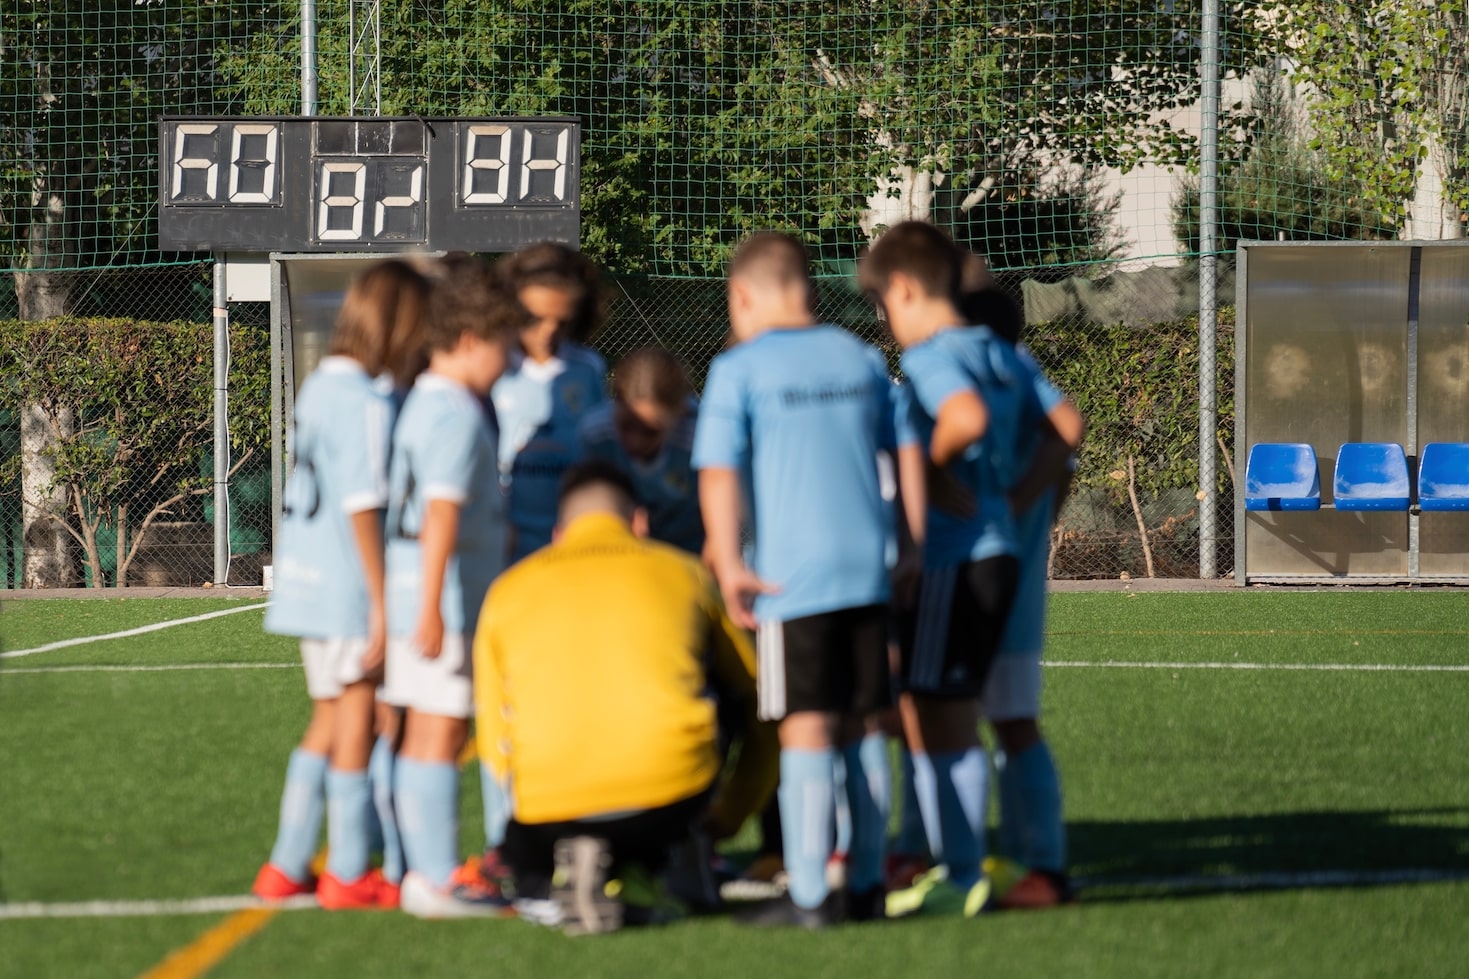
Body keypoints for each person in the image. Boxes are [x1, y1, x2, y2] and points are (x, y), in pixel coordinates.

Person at [472, 460, 775, 934]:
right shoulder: (686, 573)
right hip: (672, 796)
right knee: (720, 690)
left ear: (558, 533)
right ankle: (667, 859)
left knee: (531, 847)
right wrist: (730, 815)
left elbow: (492, 738)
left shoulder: (507, 590)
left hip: (548, 807)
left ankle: (568, 864)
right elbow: (760, 702)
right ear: (639, 522)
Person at [694, 231, 895, 928]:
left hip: (790, 580)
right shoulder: (861, 357)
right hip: (869, 567)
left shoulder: (739, 368)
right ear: (806, 289)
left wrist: (727, 561)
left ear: (741, 295)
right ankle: (867, 881)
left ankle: (809, 892)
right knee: (866, 722)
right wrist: (909, 549)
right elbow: (894, 463)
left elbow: (717, 470)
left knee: (806, 725)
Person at [858, 221, 1035, 918]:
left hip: (952, 558)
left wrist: (923, 470)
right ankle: (961, 863)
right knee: (949, 717)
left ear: (904, 290)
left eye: (883, 306)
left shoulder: (932, 355)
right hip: (992, 551)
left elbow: (961, 419)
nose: (886, 322)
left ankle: (956, 869)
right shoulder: (991, 350)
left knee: (933, 720)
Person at [256, 259, 429, 910]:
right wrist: (384, 605)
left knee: (328, 718)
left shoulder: (322, 386)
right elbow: (362, 505)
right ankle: (350, 868)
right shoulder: (363, 401)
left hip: (306, 580)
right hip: (345, 587)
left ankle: (286, 863)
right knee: (356, 717)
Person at [383, 254, 527, 918]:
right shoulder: (456, 414)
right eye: (504, 347)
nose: (509, 363)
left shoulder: (422, 401)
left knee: (425, 733)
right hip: (440, 598)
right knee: (440, 732)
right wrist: (438, 607)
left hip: (416, 589)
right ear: (470, 341)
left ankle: (421, 873)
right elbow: (440, 512)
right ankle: (439, 878)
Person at [958, 254, 1085, 909]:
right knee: (1009, 724)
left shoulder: (976, 381)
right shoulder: (1025, 385)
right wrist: (1031, 507)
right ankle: (1027, 860)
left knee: (954, 726)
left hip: (975, 578)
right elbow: (1063, 449)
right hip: (1016, 578)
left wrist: (1005, 505)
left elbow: (1065, 436)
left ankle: (995, 862)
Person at [492, 242, 608, 565]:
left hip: (568, 545)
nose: (548, 332)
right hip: (504, 545)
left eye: (561, 322)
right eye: (535, 319)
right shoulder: (496, 367)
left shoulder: (587, 369)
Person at [577, 347, 703, 555]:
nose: (635, 442)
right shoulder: (596, 436)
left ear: (679, 411)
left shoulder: (699, 436)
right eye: (626, 426)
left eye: (650, 431)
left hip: (687, 555)